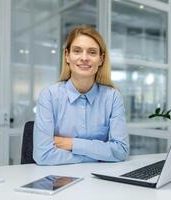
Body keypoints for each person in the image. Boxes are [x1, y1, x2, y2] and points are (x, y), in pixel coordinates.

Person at [33, 26, 129, 165]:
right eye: (77, 51)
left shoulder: (113, 97)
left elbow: (120, 150)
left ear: (101, 59)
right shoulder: (49, 96)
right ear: (67, 56)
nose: (84, 58)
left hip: (100, 180)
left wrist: (71, 143)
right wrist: (99, 154)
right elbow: (43, 155)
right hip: (59, 179)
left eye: (92, 52)